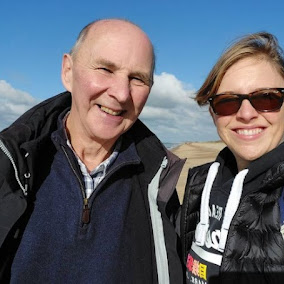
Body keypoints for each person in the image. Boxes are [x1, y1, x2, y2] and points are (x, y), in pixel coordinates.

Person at [0, 19, 185, 283]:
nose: (121, 94)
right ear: (68, 71)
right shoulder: (11, 168)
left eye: (137, 78)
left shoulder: (159, 183)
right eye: (105, 69)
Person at [181, 32, 284, 283]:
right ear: (214, 114)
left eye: (266, 98)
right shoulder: (200, 183)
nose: (246, 114)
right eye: (227, 102)